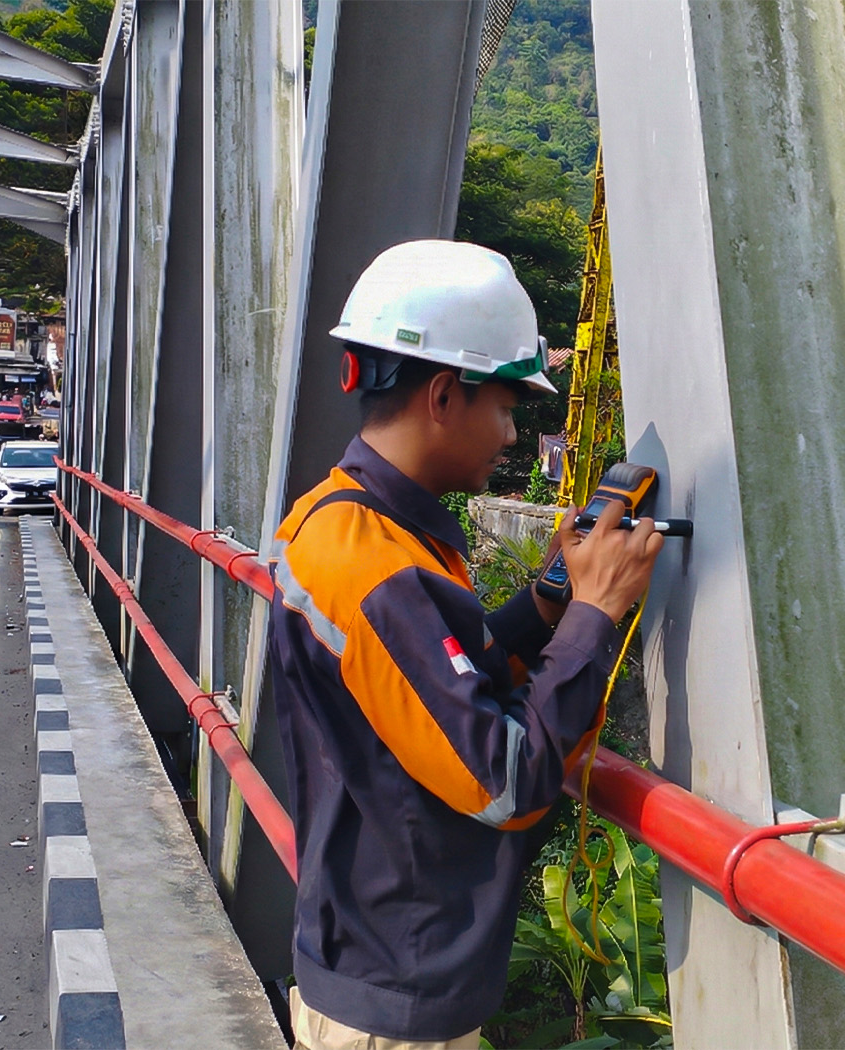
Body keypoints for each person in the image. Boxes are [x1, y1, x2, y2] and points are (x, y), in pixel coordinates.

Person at [267, 240, 663, 1050]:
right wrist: (595, 612)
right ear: (445, 393)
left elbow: (431, 692)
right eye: (509, 407)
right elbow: (505, 781)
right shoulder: (376, 567)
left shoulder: (347, 521)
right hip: (397, 995)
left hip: (371, 954)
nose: (515, 435)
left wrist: (551, 601)